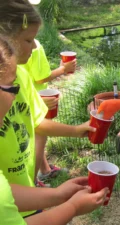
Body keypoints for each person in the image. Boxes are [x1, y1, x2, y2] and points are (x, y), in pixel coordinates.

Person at [0, 0, 96, 218]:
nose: (34, 46)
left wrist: (75, 130)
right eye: (29, 39)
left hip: (24, 192)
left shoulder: (21, 76)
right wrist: (71, 206)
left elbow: (35, 122)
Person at [21, 38, 76, 184]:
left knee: (34, 138)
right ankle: (32, 183)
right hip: (39, 100)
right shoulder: (35, 46)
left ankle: (45, 171)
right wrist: (64, 69)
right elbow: (41, 78)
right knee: (39, 139)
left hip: (26, 98)